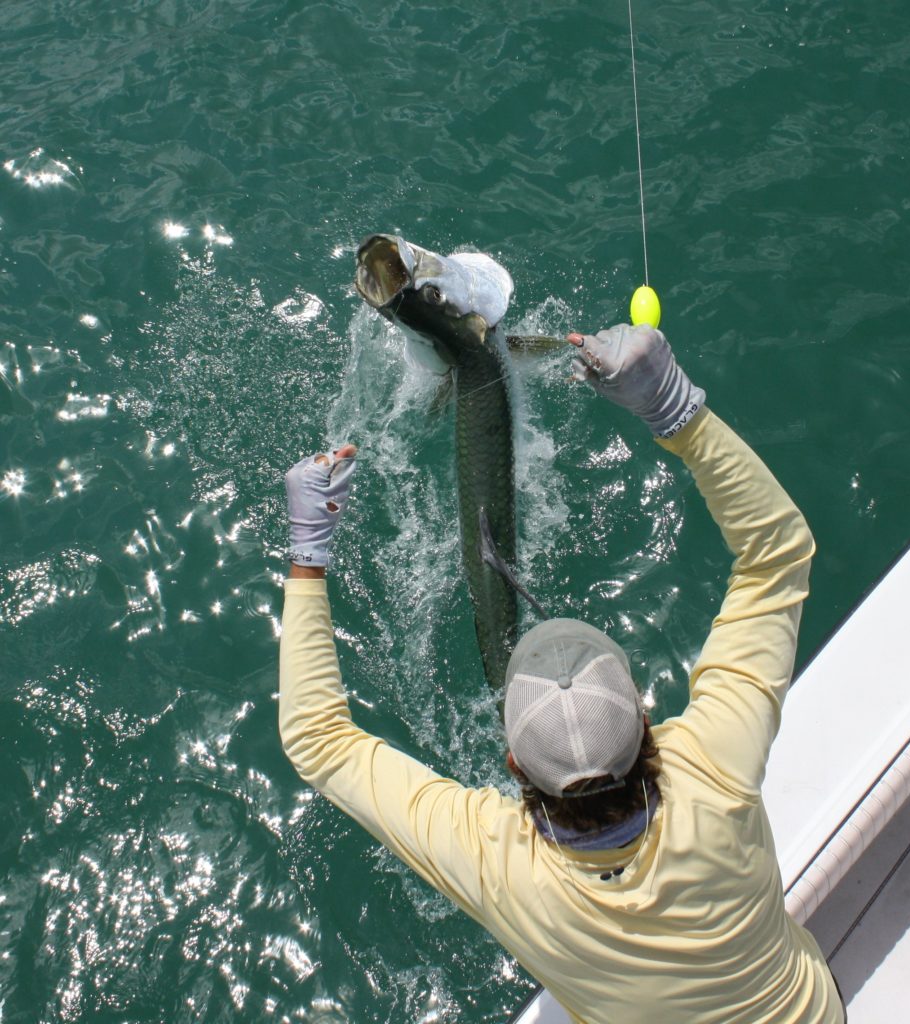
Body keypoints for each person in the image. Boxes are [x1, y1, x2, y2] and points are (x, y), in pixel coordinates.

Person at [278, 324, 846, 1023]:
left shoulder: (497, 864)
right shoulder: (712, 771)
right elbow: (777, 557)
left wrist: (309, 549)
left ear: (514, 761)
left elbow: (318, 740)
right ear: (643, 719)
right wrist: (674, 407)